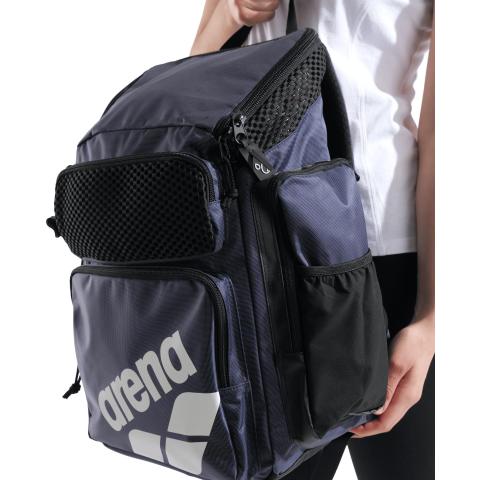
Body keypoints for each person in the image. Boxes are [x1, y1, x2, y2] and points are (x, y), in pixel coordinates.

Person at [191, 1, 435, 479]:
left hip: (377, 257)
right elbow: (189, 86)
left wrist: (431, 318)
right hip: (248, 249)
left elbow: (455, 135)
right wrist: (232, 15)